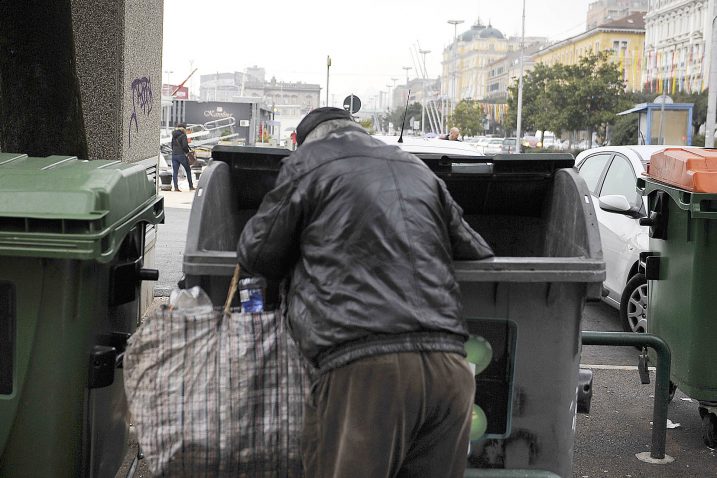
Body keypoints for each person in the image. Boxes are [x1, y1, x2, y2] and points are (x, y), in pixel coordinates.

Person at [237, 107, 493, 478]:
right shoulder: (415, 167)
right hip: (449, 370)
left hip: (364, 372)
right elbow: (474, 246)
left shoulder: (308, 163)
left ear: (303, 141)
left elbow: (258, 253)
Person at [170, 123, 194, 192]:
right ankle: (191, 186)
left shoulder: (173, 136)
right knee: (188, 170)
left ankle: (176, 187)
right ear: (183, 128)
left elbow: (172, 146)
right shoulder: (183, 135)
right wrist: (187, 152)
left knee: (175, 172)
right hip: (181, 155)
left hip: (174, 155)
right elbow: (184, 146)